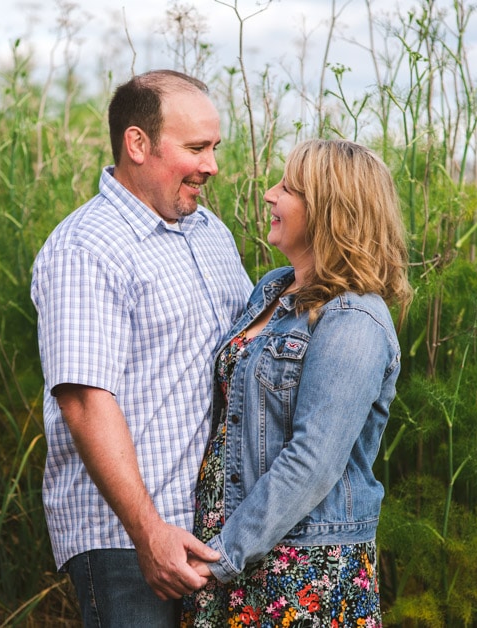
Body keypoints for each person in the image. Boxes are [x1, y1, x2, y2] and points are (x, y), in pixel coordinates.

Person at [30, 69, 253, 626]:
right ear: (138, 143)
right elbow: (83, 401)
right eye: (196, 148)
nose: (212, 166)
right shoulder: (87, 247)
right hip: (126, 541)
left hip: (213, 534)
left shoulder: (210, 232)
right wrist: (148, 531)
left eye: (215, 148)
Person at [181, 139, 413, 627]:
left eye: (287, 188)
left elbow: (314, 459)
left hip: (300, 566)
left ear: (329, 210)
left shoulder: (353, 318)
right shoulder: (271, 288)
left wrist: (222, 553)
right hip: (237, 550)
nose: (269, 194)